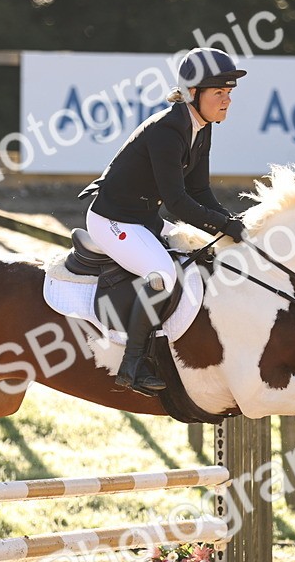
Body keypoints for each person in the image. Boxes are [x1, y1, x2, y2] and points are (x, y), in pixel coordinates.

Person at [79, 47, 249, 396]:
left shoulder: (202, 126)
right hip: (112, 220)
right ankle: (132, 364)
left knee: (202, 258)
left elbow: (199, 190)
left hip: (143, 219)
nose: (226, 101)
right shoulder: (167, 131)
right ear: (193, 93)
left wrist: (230, 222)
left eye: (229, 93)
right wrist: (224, 226)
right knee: (163, 275)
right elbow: (178, 202)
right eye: (219, 93)